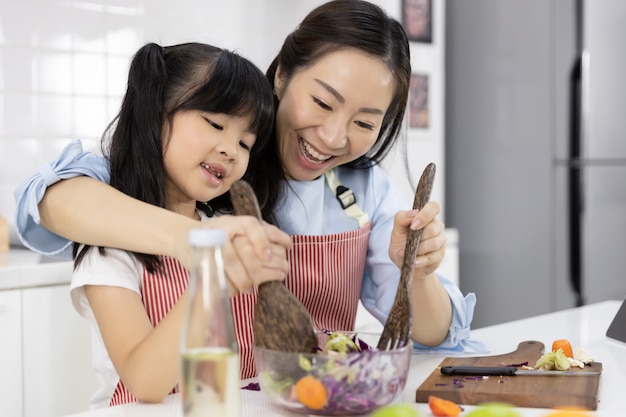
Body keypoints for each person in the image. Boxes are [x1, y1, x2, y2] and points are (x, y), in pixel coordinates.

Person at [14, 0, 482, 386]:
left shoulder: (360, 192)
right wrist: (199, 244)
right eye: (322, 102)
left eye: (364, 123)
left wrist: (415, 271)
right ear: (280, 75)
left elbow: (432, 332)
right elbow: (51, 198)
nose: (335, 136)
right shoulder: (197, 175)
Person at [35, 42, 292, 408]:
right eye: (216, 123)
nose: (231, 150)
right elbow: (146, 382)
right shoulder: (108, 245)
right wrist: (211, 280)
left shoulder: (222, 226)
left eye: (246, 143)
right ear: (155, 112)